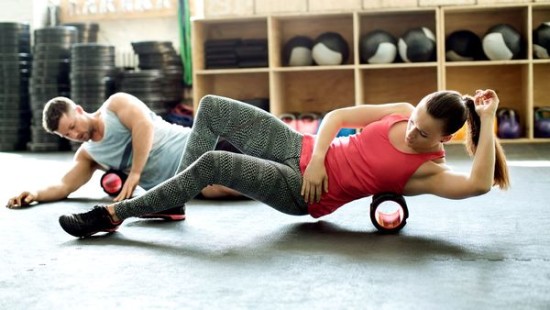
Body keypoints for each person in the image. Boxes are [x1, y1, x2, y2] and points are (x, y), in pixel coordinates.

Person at [58, 89, 510, 238]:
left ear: (444, 138)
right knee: (213, 107)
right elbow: (336, 118)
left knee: (214, 162)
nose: (412, 131)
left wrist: (486, 121)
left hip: (302, 193)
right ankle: (175, 200)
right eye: (413, 121)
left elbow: (477, 184)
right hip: (301, 149)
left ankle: (112, 214)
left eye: (423, 132)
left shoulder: (427, 170)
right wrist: (315, 160)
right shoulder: (400, 111)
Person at [6, 92, 240, 220]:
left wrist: (135, 172)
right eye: (67, 134)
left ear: (78, 110)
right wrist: (34, 194)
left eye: (74, 125)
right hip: (193, 181)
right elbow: (64, 185)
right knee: (212, 189)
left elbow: (143, 125)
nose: (75, 134)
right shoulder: (89, 154)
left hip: (206, 145)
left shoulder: (115, 105)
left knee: (243, 164)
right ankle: (272, 182)